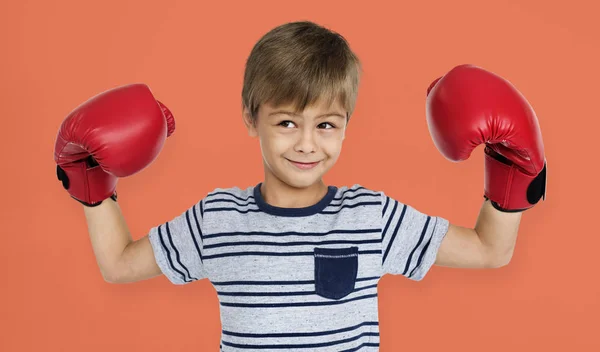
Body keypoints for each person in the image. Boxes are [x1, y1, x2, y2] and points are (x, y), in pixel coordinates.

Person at [53, 21, 546, 351]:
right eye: (287, 123)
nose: (307, 144)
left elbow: (488, 251)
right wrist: (91, 184)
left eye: (326, 125)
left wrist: (511, 173)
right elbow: (119, 264)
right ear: (252, 117)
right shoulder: (217, 218)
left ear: (347, 125)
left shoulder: (370, 217)